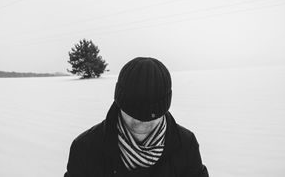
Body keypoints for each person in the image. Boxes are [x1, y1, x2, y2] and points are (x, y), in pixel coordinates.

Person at [64, 57, 209, 177]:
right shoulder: (85, 148)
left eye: (151, 116)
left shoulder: (186, 145)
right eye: (133, 113)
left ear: (164, 108)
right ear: (120, 103)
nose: (141, 123)